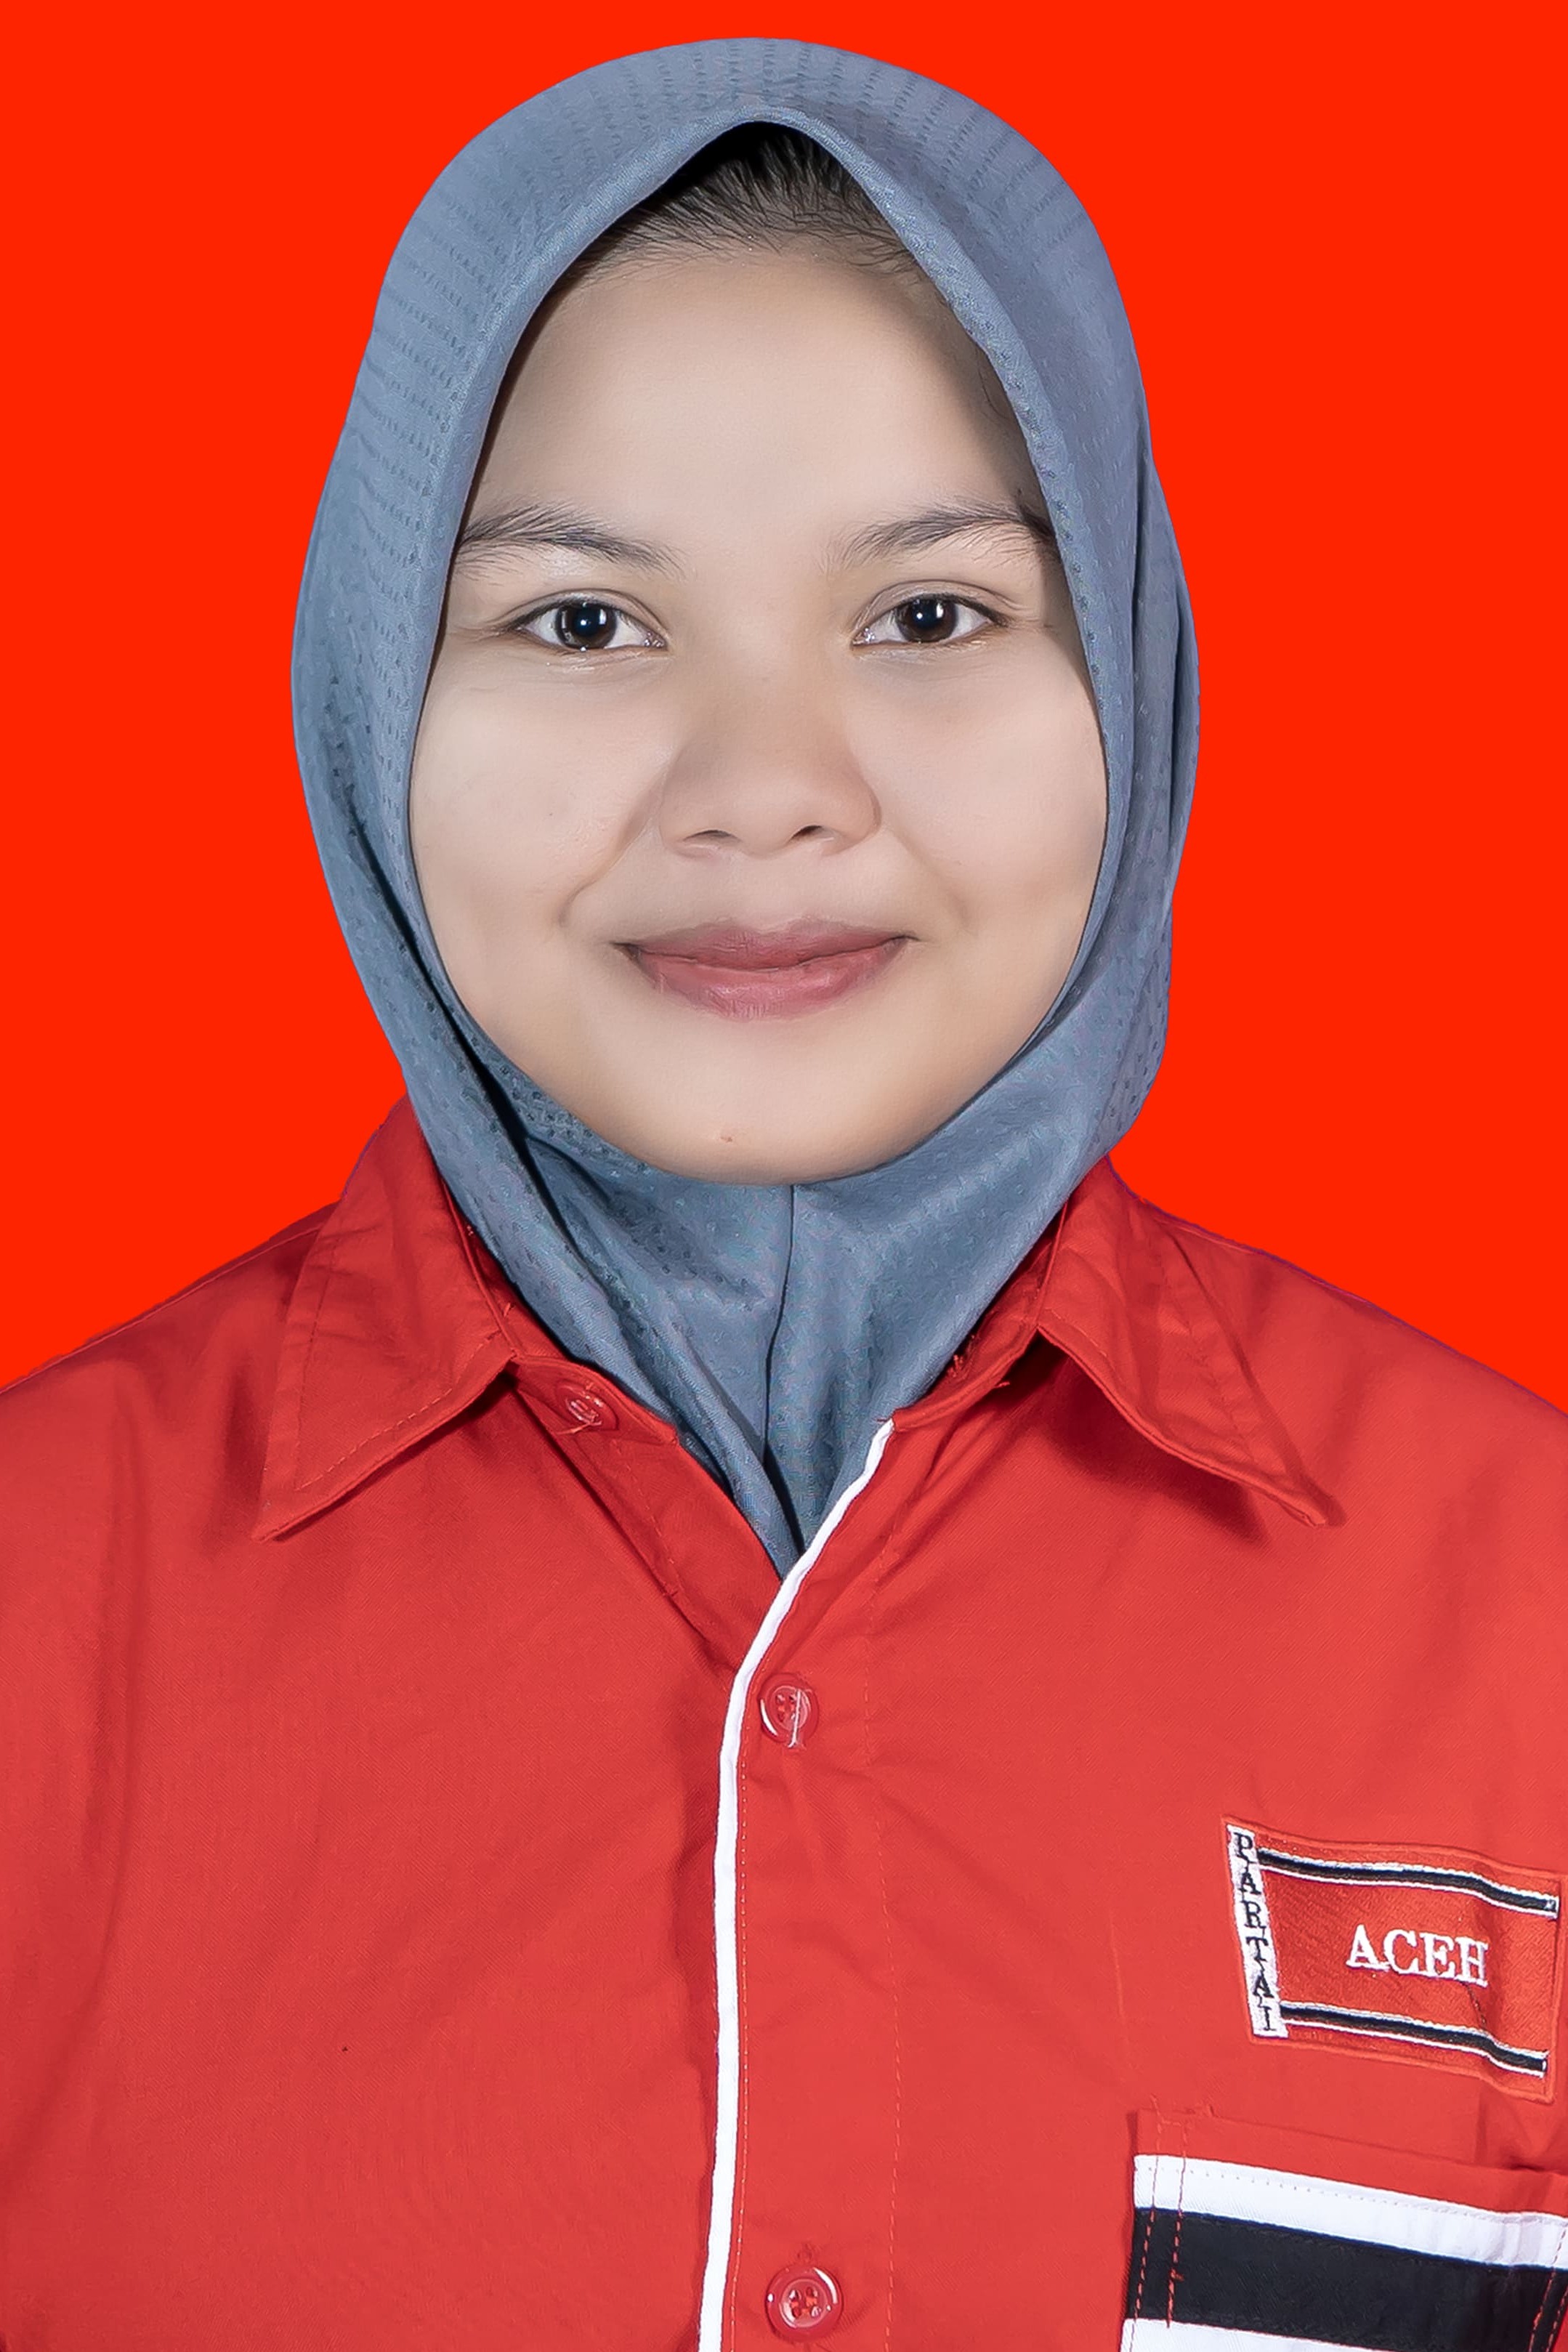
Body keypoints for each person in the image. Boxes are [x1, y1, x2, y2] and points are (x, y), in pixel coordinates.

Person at [1, 38, 1564, 2352]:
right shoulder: (37, 1608)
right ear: (370, 693)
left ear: (1129, 673)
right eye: (583, 622)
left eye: (929, 616)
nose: (762, 788)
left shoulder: (1528, 1613)